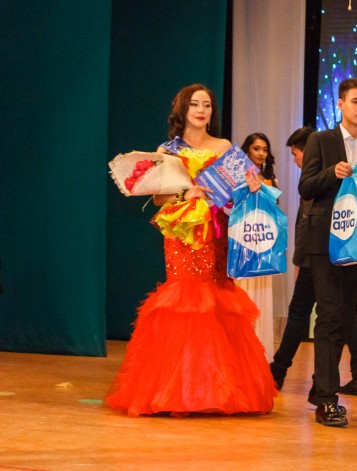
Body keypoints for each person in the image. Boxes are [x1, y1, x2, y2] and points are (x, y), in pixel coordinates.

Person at [105, 84, 276, 417]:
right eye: (195, 104)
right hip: (184, 235)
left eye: (207, 105)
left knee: (217, 297)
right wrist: (189, 194)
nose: (201, 110)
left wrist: (254, 185)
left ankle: (218, 390)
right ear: (182, 109)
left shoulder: (224, 147)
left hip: (217, 232)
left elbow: (241, 188)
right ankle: (180, 393)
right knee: (186, 300)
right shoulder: (168, 150)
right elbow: (158, 198)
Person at [298, 78, 357, 427]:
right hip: (325, 242)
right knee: (330, 315)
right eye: (355, 101)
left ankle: (322, 387)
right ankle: (327, 399)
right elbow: (306, 187)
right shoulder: (321, 140)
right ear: (341, 104)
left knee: (343, 314)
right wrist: (332, 174)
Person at [269, 127, 357, 398]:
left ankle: (281, 371)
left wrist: (300, 260)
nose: (296, 160)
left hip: (316, 257)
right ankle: (351, 375)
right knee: (339, 313)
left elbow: (307, 224)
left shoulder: (323, 179)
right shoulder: (323, 178)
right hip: (321, 254)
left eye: (296, 154)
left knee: (309, 314)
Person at [236, 132, 278, 360]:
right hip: (243, 246)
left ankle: (260, 357)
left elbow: (275, 213)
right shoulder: (237, 177)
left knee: (262, 297)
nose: (261, 153)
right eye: (256, 148)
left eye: (265, 149)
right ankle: (241, 354)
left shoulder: (270, 179)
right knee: (243, 297)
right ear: (247, 150)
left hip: (264, 246)